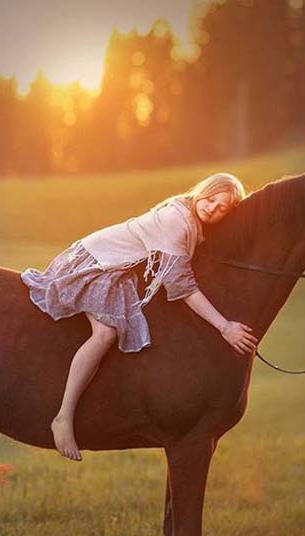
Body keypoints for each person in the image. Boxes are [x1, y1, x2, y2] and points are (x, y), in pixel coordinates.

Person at [20, 172, 259, 461]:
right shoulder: (177, 221)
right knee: (105, 332)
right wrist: (224, 327)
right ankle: (63, 417)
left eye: (221, 209)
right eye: (211, 200)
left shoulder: (190, 216)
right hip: (97, 263)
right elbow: (182, 287)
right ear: (203, 191)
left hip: (118, 268)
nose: (212, 209)